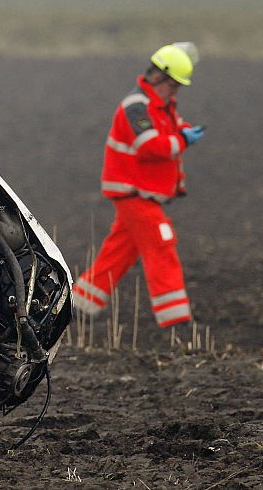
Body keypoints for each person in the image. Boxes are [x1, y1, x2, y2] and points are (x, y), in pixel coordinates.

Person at [72, 43, 205, 328]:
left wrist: (182, 131)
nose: (176, 91)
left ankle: (80, 304)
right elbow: (150, 146)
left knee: (119, 250)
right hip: (133, 193)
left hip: (143, 194)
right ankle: (176, 322)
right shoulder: (136, 107)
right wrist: (183, 140)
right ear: (159, 78)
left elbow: (173, 127)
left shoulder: (162, 106)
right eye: (174, 85)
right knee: (161, 244)